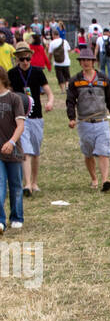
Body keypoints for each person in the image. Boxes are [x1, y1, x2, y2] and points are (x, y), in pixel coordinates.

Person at [66, 47, 110, 191]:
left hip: (101, 121)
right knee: (88, 153)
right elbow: (70, 101)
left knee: (103, 152)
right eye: (83, 60)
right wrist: (71, 118)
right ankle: (94, 179)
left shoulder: (103, 80)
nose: (85, 62)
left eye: (88, 60)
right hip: (84, 123)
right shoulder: (75, 81)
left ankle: (105, 181)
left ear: (93, 61)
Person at [9, 42, 54, 196]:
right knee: (25, 150)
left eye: (27, 58)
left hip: (37, 116)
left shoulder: (37, 72)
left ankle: (34, 182)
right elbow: (8, 93)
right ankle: (27, 184)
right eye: (22, 59)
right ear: (17, 59)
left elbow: (49, 91)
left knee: (35, 152)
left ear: (31, 57)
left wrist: (50, 101)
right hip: (20, 117)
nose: (25, 62)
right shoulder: (12, 74)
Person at [0, 65, 27, 234]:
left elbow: (21, 125)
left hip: (14, 150)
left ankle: (17, 217)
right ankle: (0, 221)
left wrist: (11, 142)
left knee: (16, 185)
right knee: (0, 184)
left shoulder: (14, 99)